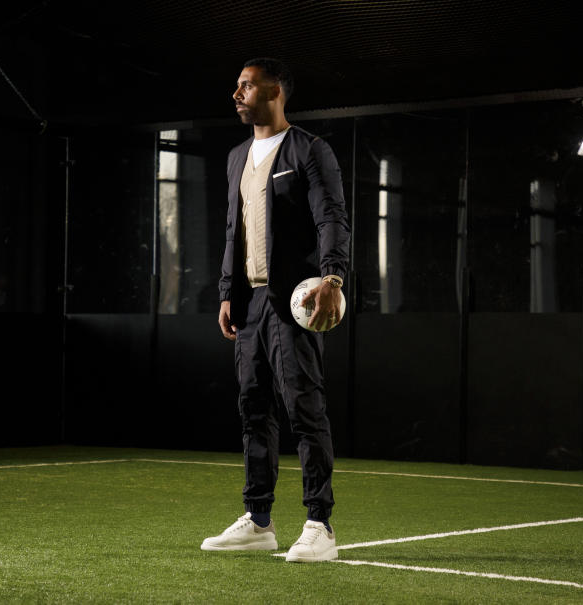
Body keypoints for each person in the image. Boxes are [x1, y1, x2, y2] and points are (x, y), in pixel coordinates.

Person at [200, 58, 350, 563]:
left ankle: (319, 524)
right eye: (237, 85)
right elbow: (233, 229)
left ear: (275, 90)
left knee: (304, 408)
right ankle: (259, 521)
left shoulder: (310, 150)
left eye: (245, 85)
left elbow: (330, 215)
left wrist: (332, 276)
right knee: (253, 409)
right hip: (250, 302)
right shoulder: (237, 156)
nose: (236, 93)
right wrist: (226, 290)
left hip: (295, 300)